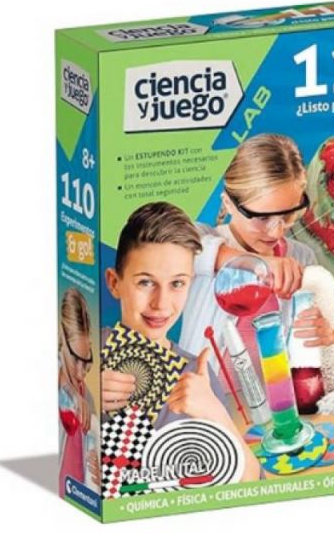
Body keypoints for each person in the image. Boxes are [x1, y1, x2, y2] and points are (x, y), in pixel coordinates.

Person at [102, 202, 261, 482]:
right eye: (145, 282)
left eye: (177, 284)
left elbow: (251, 484)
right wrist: (84, 391)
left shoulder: (198, 375)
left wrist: (215, 413)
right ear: (115, 283)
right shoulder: (84, 352)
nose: (161, 303)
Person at [180, 133, 334, 360]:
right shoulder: (199, 237)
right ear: (229, 204)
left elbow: (318, 337)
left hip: (275, 382)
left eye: (288, 215)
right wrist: (258, 265)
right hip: (204, 382)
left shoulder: (302, 257)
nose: (277, 232)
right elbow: (190, 250)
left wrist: (328, 334)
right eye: (262, 218)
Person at [58, 288, 100, 495]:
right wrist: (73, 394)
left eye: (86, 361)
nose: (80, 373)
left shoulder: (87, 396)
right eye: (75, 359)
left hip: (79, 493)